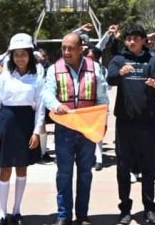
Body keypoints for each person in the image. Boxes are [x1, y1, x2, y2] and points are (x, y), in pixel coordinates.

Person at [42, 33, 109, 225]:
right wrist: (56, 106)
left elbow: (103, 97)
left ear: (81, 49)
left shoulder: (94, 68)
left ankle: (82, 216)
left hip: (88, 128)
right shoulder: (54, 69)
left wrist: (102, 123)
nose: (66, 51)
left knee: (85, 173)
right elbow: (46, 93)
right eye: (63, 48)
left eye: (70, 48)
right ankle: (63, 216)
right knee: (63, 173)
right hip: (65, 128)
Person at [106, 25, 155, 225]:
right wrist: (120, 73)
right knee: (123, 167)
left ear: (143, 41)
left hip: (147, 123)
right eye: (129, 38)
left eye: (136, 38)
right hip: (125, 123)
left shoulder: (151, 61)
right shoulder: (119, 60)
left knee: (148, 168)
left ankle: (149, 208)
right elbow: (110, 79)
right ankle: (125, 209)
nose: (132, 42)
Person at [0, 33, 45, 225]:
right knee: (5, 169)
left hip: (26, 124)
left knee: (22, 168)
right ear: (11, 56)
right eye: (16, 54)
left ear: (30, 55)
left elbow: (40, 107)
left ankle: (17, 211)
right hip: (6, 123)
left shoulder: (37, 76)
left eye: (24, 54)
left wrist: (37, 132)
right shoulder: (5, 75)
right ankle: (2, 211)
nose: (20, 58)